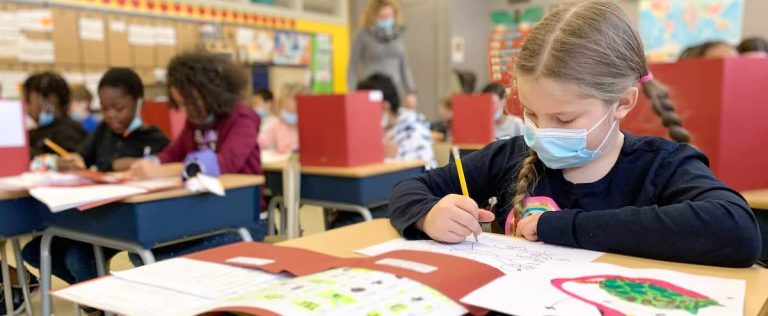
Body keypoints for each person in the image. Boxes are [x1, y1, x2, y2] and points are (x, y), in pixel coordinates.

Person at [388, 1, 760, 268]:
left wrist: (565, 226)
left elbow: (737, 231)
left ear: (622, 103)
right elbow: (408, 190)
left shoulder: (661, 165)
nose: (542, 131)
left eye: (564, 120)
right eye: (531, 113)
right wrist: (427, 215)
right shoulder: (509, 156)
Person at [129, 52, 265, 261]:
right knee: (143, 251)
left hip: (243, 217)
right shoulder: (196, 120)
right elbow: (174, 151)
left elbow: (225, 162)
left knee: (167, 258)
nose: (185, 110)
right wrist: (152, 161)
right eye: (180, 104)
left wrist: (161, 171)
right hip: (205, 212)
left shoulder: (242, 117)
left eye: (189, 102)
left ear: (210, 92)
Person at [57, 68, 169, 172]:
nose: (110, 115)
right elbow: (83, 155)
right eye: (104, 108)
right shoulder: (103, 130)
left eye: (119, 108)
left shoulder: (156, 139)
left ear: (139, 103)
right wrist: (75, 159)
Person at [348, 0, 418, 109]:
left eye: (389, 16)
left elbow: (404, 66)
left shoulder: (398, 36)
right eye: (382, 16)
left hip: (393, 90)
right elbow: (352, 67)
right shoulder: (363, 35)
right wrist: (353, 92)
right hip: (372, 89)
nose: (386, 19)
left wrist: (411, 91)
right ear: (374, 16)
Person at [24, 72, 86, 157]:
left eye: (28, 100)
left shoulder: (67, 133)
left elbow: (70, 163)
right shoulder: (39, 131)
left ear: (51, 99)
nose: (26, 107)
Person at [257, 83, 306, 154]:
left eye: (293, 112)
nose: (289, 114)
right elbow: (259, 143)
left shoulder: (311, 126)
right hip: (284, 164)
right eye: (286, 110)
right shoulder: (277, 124)